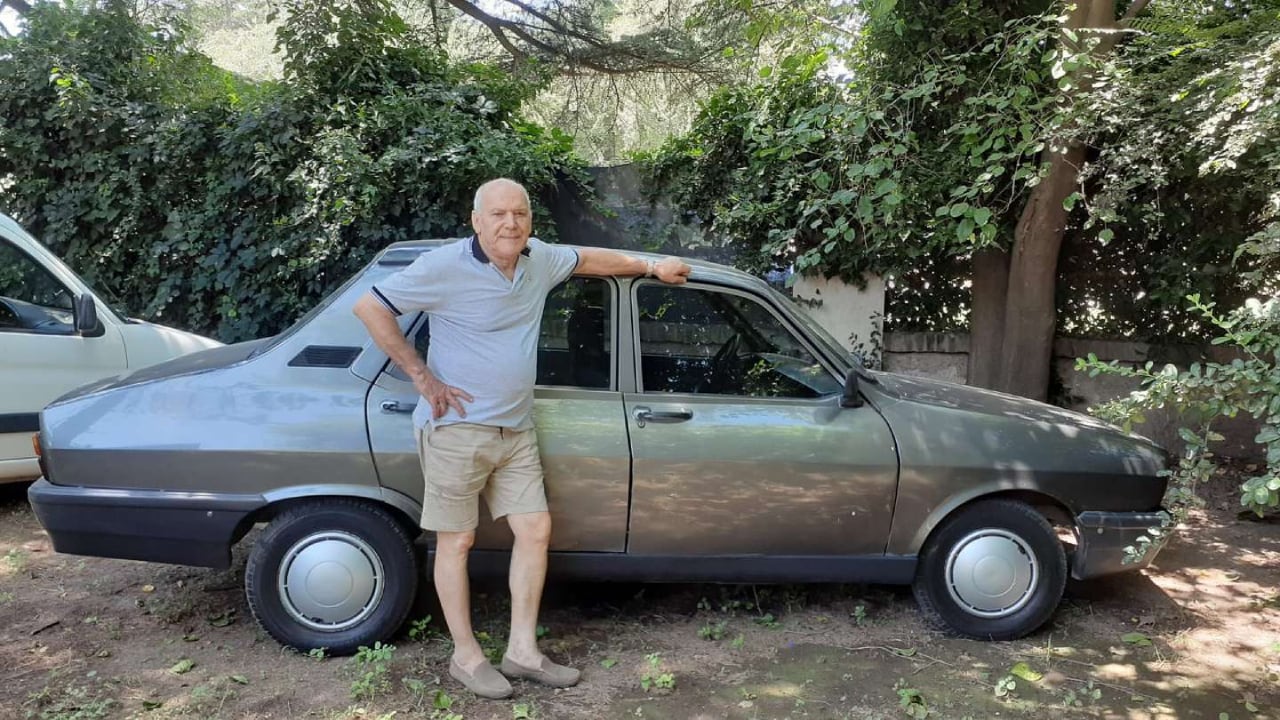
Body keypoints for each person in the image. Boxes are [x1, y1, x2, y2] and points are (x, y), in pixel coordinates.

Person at [352, 178, 691, 699]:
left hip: (516, 428)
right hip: (456, 429)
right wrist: (423, 378)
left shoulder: (539, 259)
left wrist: (651, 267)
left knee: (534, 530)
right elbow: (371, 308)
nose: (510, 223)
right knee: (456, 541)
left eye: (520, 213)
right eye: (498, 214)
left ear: (530, 220)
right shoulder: (443, 267)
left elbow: (590, 260)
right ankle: (465, 659)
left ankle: (522, 652)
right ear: (476, 221)